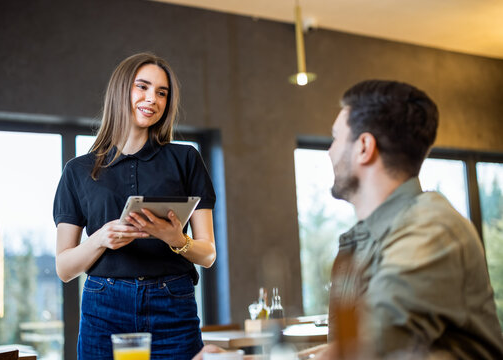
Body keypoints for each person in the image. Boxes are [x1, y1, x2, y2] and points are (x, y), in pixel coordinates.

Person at [194, 80, 503, 360]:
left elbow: (368, 348)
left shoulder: (431, 228)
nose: (329, 152)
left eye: (335, 138)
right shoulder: (363, 237)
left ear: (364, 148)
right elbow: (343, 348)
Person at [53, 52, 216, 360]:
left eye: (161, 93)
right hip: (104, 308)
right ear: (121, 90)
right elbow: (64, 268)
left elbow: (208, 254)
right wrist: (101, 238)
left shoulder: (186, 159)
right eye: (142, 87)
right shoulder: (77, 171)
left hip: (173, 303)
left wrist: (176, 240)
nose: (152, 99)